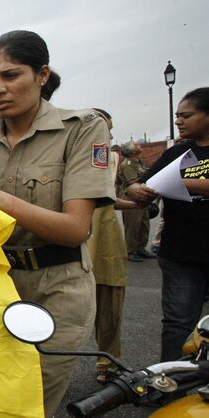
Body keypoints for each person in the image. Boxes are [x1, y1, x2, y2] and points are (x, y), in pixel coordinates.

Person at [0, 30, 115, 416]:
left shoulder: (81, 129)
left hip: (58, 288)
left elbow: (75, 228)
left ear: (42, 75)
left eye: (10, 75)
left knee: (31, 402)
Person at [127, 87, 209, 362]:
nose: (178, 121)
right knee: (177, 325)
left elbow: (167, 183)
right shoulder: (177, 153)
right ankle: (171, 383)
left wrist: (181, 183)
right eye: (177, 116)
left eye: (186, 115)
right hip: (179, 254)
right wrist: (135, 190)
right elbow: (142, 182)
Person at [87, 108, 143, 382]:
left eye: (109, 129)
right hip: (78, 236)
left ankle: (107, 363)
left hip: (106, 238)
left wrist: (135, 203)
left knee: (109, 302)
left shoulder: (110, 157)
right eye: (104, 127)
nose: (108, 134)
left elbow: (105, 196)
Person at [117, 141, 155, 262]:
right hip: (131, 197)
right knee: (133, 225)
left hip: (142, 197)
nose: (140, 146)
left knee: (144, 224)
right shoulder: (127, 164)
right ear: (132, 151)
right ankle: (131, 250)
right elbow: (132, 182)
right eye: (137, 145)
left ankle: (141, 248)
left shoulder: (139, 162)